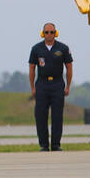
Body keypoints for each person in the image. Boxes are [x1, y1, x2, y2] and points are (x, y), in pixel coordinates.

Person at [29, 23, 73, 151]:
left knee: (57, 115)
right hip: (42, 84)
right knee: (40, 115)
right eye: (47, 32)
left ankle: (55, 144)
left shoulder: (63, 48)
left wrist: (68, 86)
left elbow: (69, 67)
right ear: (43, 33)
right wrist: (33, 87)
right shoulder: (36, 49)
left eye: (52, 32)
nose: (49, 35)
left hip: (57, 83)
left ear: (56, 33)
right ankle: (43, 144)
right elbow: (32, 68)